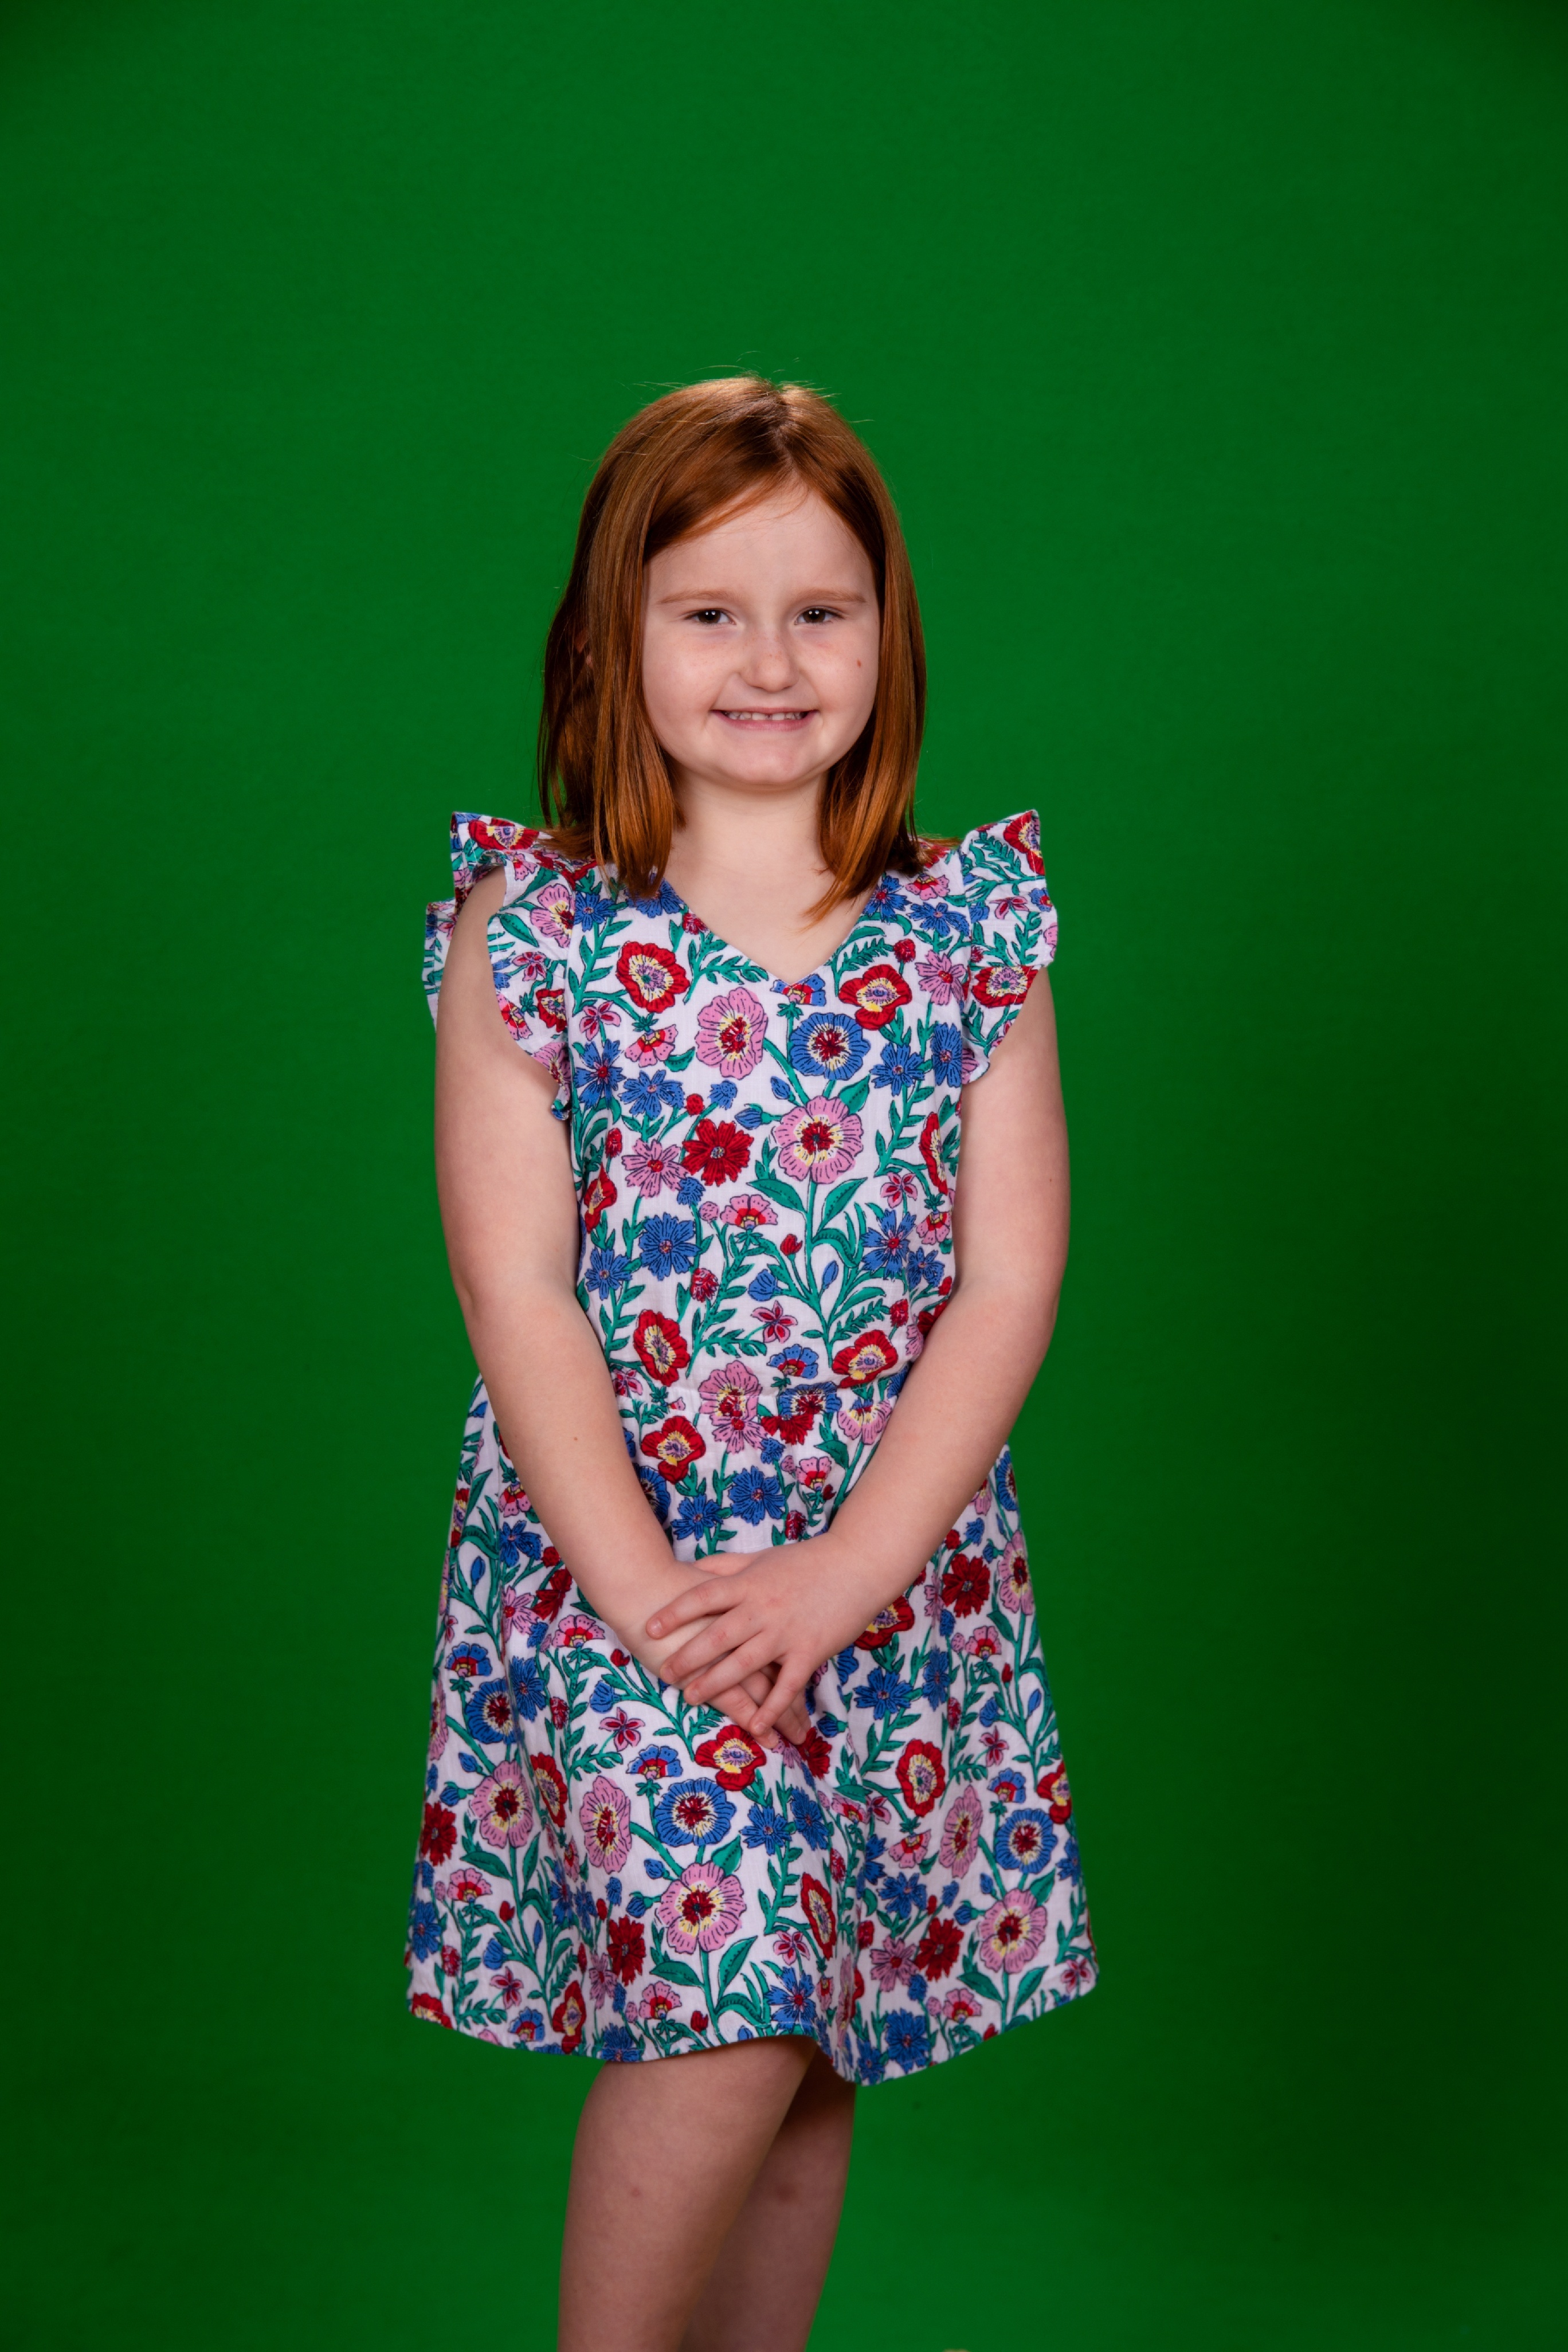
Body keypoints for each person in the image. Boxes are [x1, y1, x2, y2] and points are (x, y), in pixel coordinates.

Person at [408, 375, 1096, 2352]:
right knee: (729, 2006)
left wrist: (845, 1577)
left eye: (821, 612)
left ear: (889, 634)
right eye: (710, 613)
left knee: (811, 2041)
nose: (772, 663)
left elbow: (1010, 1281)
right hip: (629, 1571)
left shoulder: (970, 929)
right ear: (610, 642)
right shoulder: (534, 929)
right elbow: (518, 1291)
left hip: (884, 1571)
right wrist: (657, 1604)